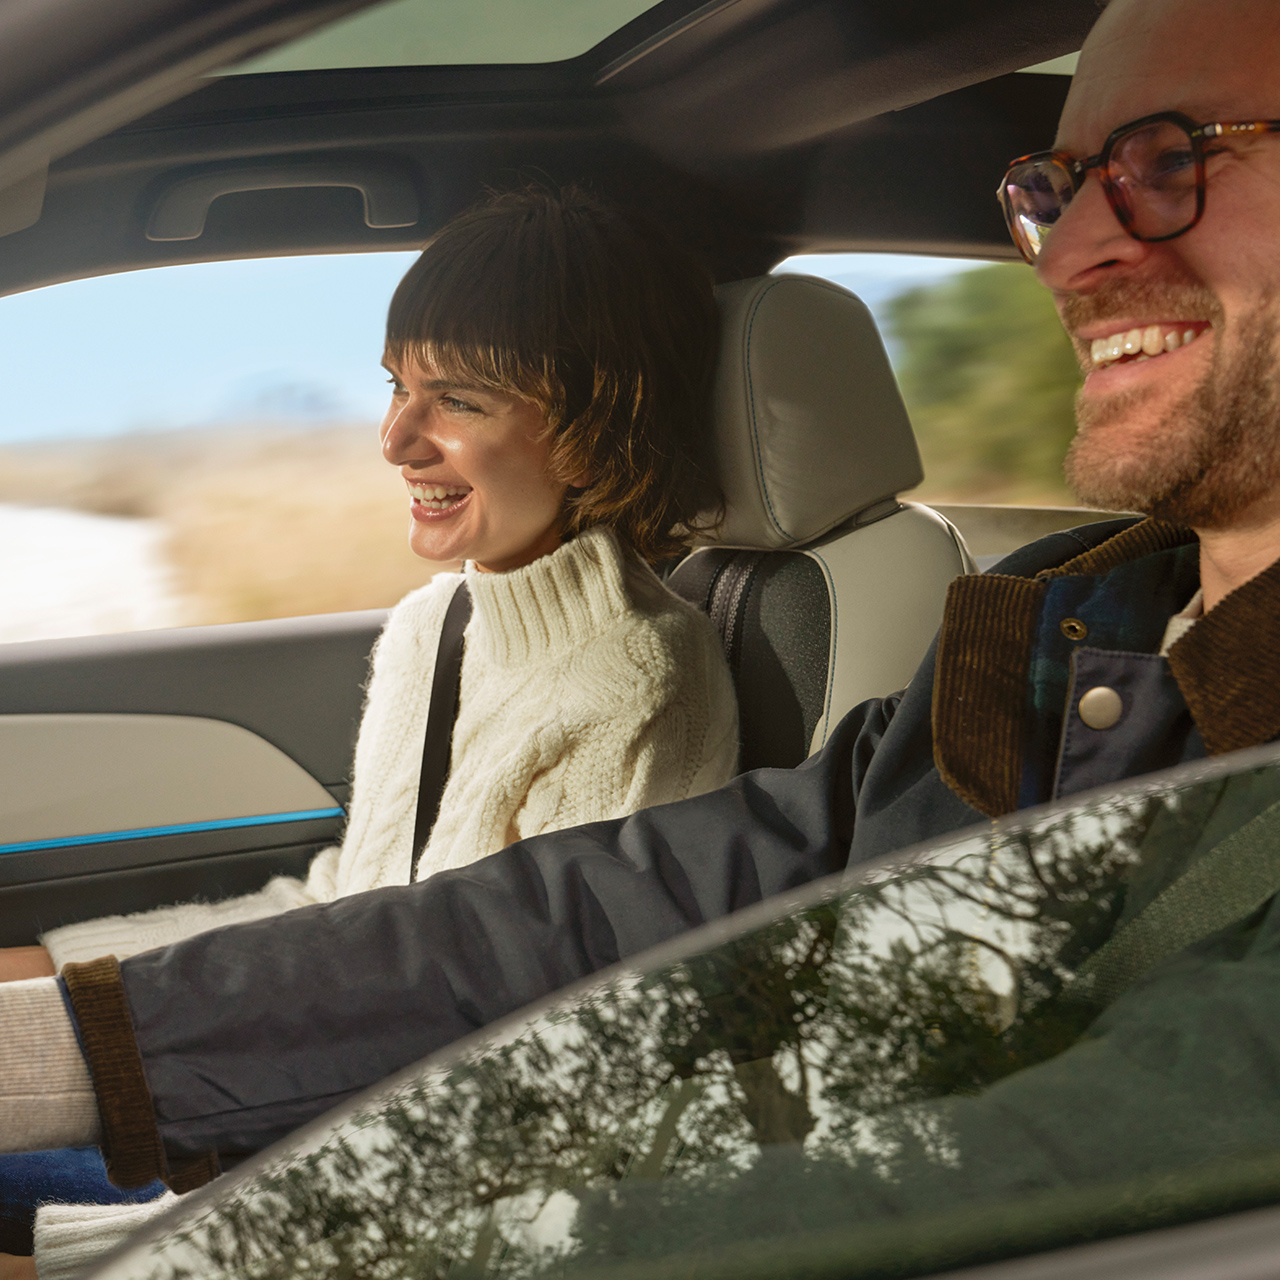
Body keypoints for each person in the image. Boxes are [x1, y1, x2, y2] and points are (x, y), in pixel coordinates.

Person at [4, 0, 1280, 1264]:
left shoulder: (645, 668)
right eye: (1051, 188)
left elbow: (1070, 1153)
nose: (1063, 255)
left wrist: (228, 1243)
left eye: (1169, 161)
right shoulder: (1058, 620)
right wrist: (63, 1044)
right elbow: (598, 913)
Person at [0, 187, 739, 1276]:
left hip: (387, 1194)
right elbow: (342, 912)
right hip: (300, 1121)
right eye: (396, 386)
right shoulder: (433, 623)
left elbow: (562, 1076)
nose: (393, 437)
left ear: (598, 424)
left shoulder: (638, 678)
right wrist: (50, 974)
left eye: (458, 398)